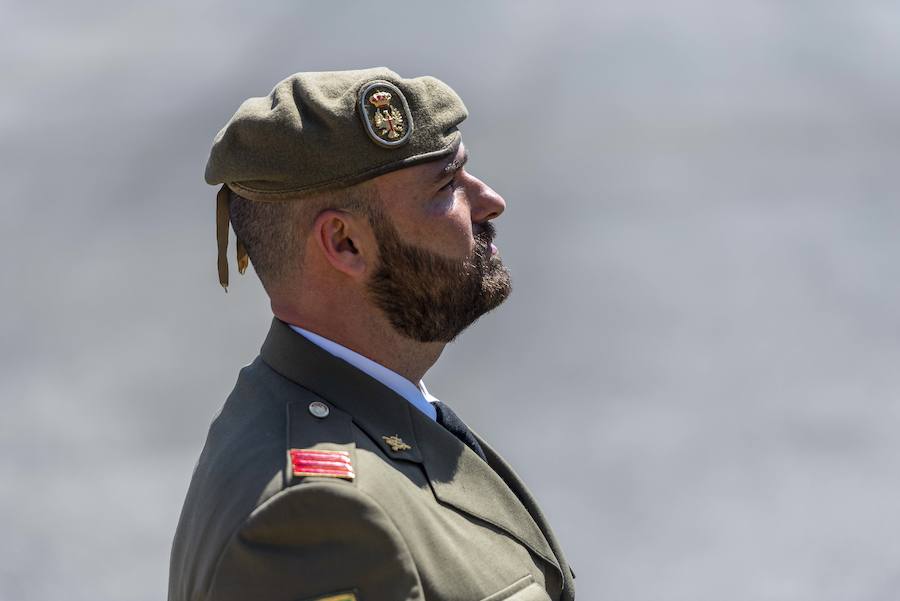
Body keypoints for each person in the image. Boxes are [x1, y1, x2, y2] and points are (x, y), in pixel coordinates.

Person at [168, 67, 575, 601]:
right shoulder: (315, 522)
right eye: (447, 184)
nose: (490, 201)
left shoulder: (367, 412)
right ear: (345, 243)